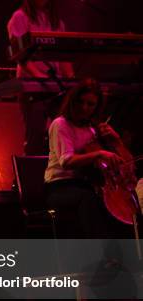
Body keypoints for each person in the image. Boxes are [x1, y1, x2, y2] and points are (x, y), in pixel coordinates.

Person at [44, 78, 124, 237]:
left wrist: (116, 140)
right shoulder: (60, 124)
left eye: (90, 104)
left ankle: (121, 255)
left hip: (87, 185)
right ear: (73, 101)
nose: (84, 107)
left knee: (118, 205)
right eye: (80, 102)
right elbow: (66, 161)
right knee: (89, 200)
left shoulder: (92, 129)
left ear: (96, 107)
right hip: (60, 187)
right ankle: (98, 256)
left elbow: (121, 162)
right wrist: (99, 154)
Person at [7, 0, 74, 155]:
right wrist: (40, 78)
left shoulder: (56, 21)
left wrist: (71, 80)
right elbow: (20, 54)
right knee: (35, 136)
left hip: (54, 85)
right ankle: (32, 174)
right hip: (32, 86)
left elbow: (63, 56)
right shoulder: (20, 17)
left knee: (63, 133)